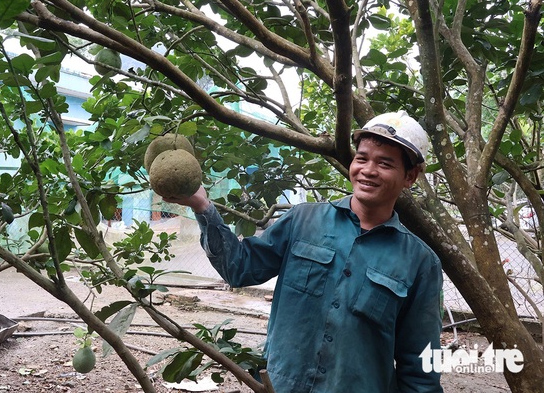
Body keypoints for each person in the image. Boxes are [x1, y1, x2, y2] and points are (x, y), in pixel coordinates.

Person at [169, 111, 443, 393]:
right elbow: (239, 268)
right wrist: (202, 206)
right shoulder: (303, 221)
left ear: (410, 176)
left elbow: (421, 370)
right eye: (362, 158)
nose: (368, 170)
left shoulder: (421, 263)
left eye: (384, 163)